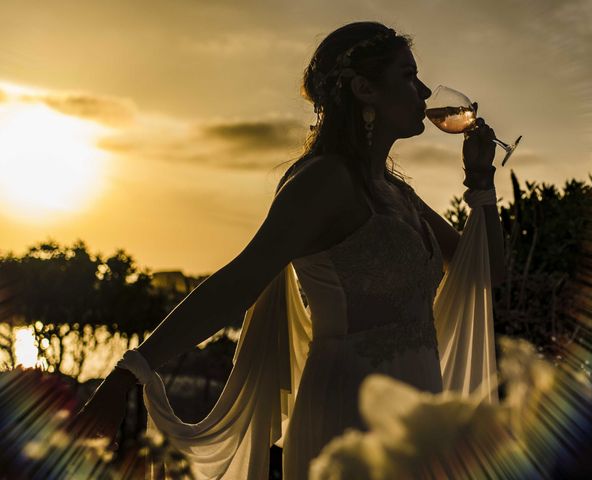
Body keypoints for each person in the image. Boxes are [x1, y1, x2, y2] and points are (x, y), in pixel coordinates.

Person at [70, 21, 505, 479]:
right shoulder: (323, 181)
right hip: (349, 412)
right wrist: (130, 371)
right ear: (363, 88)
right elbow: (239, 282)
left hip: (418, 410)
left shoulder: (397, 193)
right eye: (407, 74)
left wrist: (481, 183)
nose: (422, 90)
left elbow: (487, 272)